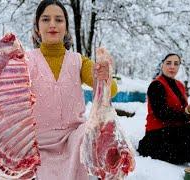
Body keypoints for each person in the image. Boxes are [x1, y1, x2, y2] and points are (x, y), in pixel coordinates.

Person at [26, 0, 117, 179]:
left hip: (74, 139)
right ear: (37, 27)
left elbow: (111, 90)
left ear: (66, 28)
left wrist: (105, 76)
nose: (52, 24)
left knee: (95, 130)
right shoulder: (25, 61)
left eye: (59, 20)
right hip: (38, 142)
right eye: (46, 19)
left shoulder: (78, 61)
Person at [137, 53, 190, 167]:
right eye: (168, 63)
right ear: (162, 65)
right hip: (159, 133)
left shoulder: (180, 85)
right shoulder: (156, 86)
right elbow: (162, 113)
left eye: (176, 64)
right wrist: (188, 117)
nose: (172, 67)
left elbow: (184, 111)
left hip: (177, 130)